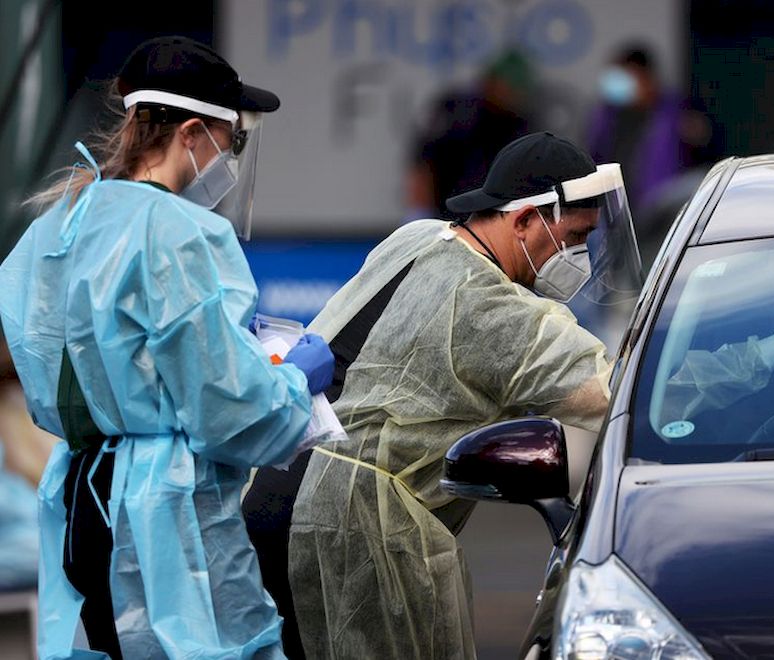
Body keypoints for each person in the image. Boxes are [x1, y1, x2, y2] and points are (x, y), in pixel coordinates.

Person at [0, 36, 335, 659]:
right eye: (230, 139)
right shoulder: (184, 235)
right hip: (166, 514)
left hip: (79, 499)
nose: (231, 158)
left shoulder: (59, 223)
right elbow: (231, 412)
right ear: (191, 132)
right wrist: (294, 379)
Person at [282, 132, 641, 658]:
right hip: (348, 529)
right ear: (522, 221)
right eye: (574, 239)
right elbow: (621, 395)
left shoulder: (417, 238)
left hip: (275, 484)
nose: (579, 258)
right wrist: (762, 357)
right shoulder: (498, 311)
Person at [403, 49, 536, 223]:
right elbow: (424, 164)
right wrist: (420, 212)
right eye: (510, 87)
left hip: (488, 221)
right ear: (492, 81)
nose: (515, 95)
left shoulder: (519, 123)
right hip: (443, 217)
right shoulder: (456, 111)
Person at [587, 43, 712, 215]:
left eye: (626, 77)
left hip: (663, 210)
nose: (620, 85)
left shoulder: (678, 112)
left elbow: (704, 153)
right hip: (618, 211)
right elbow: (593, 158)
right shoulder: (608, 116)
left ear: (645, 77)